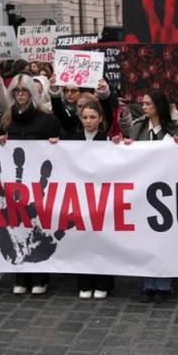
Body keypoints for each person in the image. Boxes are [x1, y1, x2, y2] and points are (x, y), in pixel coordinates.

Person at [0, 74, 62, 295]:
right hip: (15, 186)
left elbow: (61, 146)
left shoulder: (47, 119)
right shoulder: (7, 119)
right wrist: (0, 142)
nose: (20, 94)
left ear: (33, 94)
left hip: (38, 184)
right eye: (16, 91)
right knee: (17, 226)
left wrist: (56, 143)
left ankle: (40, 277)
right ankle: (21, 276)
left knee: (37, 225)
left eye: (24, 90)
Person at [117, 89, 178, 303]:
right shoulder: (138, 127)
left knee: (166, 238)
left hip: (168, 193)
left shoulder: (174, 129)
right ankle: (148, 284)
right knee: (146, 238)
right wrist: (126, 145)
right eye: (143, 104)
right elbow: (129, 153)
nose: (143, 107)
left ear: (158, 105)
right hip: (143, 192)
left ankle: (164, 283)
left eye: (147, 104)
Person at [65, 100, 115, 300]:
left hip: (103, 196)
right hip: (80, 195)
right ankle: (84, 282)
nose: (88, 121)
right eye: (84, 117)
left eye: (92, 117)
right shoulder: (73, 139)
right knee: (82, 240)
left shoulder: (108, 140)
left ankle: (103, 283)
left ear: (100, 119)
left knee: (103, 240)